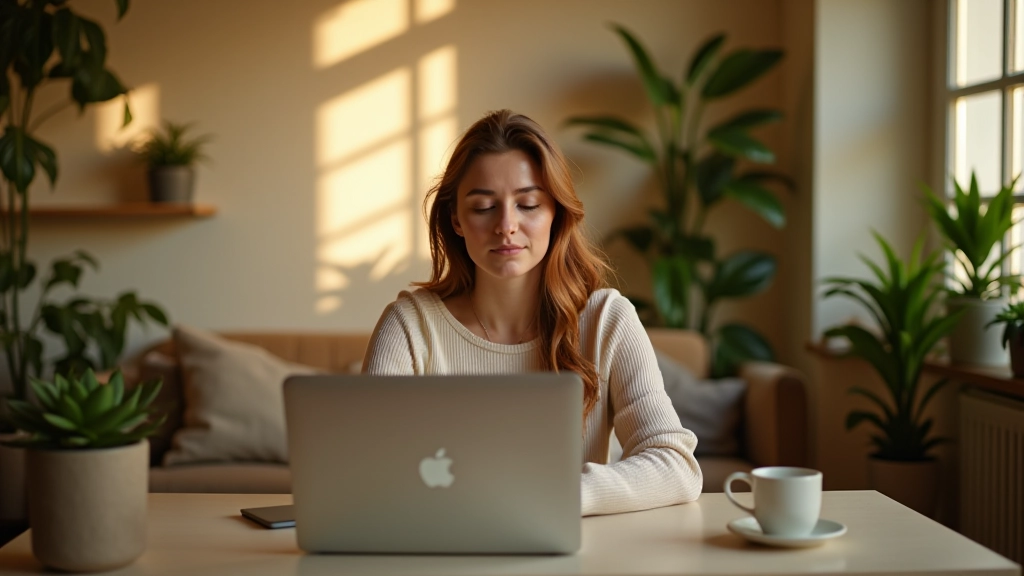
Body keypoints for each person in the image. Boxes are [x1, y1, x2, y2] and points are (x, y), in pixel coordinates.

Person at [363, 109, 702, 516]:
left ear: (555, 213)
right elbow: (364, 469)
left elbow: (676, 466)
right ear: (456, 219)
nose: (506, 225)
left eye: (527, 204)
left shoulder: (607, 320)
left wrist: (560, 494)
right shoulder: (409, 325)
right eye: (484, 207)